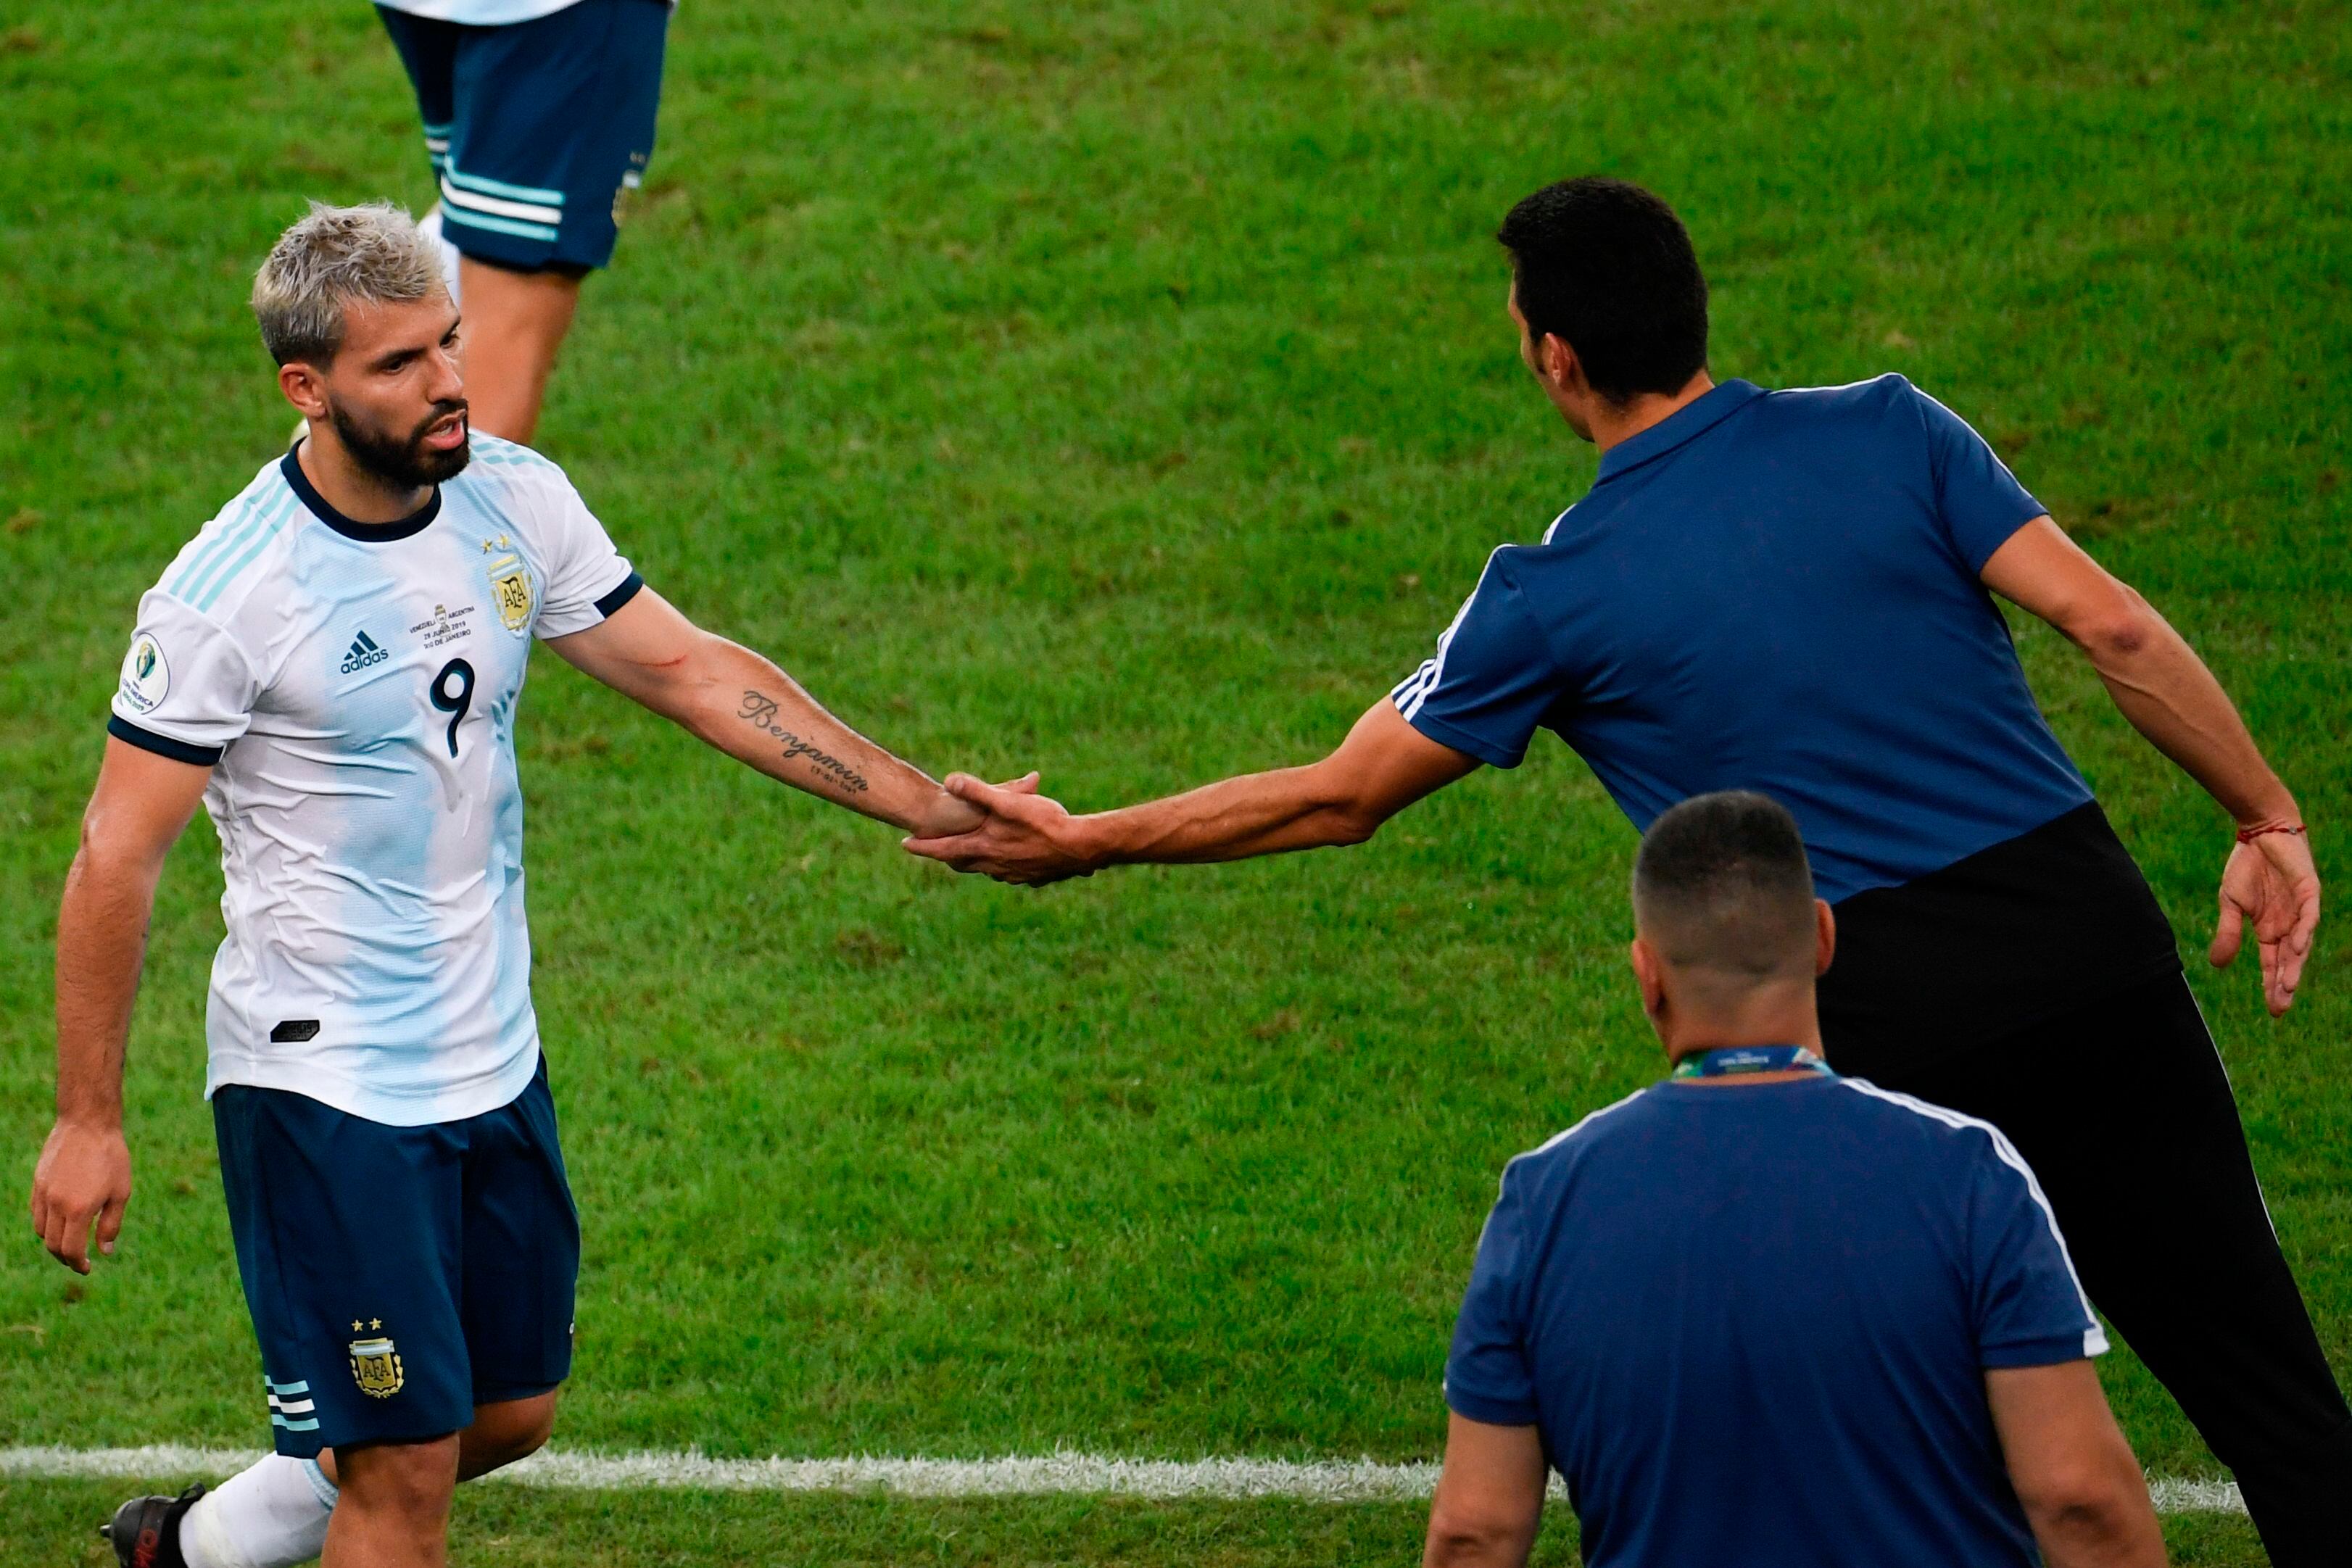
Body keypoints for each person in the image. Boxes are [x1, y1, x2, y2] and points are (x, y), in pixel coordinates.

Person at [906, 176, 2349, 1561]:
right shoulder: (1894, 431)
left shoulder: (1548, 593)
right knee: (2264, 1383)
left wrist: (1085, 838)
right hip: (2077, 931)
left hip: (1867, 995)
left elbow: (1339, 796)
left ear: (1555, 360)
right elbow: (2109, 628)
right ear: (1693, 310)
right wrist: (2261, 812)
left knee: (1904, 1438)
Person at [28, 202, 982, 1568]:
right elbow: (116, 853)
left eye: (451, 343)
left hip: (491, 1050)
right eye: (401, 365)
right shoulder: (228, 595)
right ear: (306, 388)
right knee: (403, 1475)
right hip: (328, 1084)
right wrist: (87, 1117)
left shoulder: (508, 498)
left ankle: (190, 1551)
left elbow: (690, 670)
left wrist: (935, 808)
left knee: (508, 1407)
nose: (450, 383)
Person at [1423, 790, 2167, 1568]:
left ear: (1646, 974)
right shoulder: (1970, 1175)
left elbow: (1476, 1532)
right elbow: (2079, 1502)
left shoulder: (1543, 1200)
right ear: (1822, 937)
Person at [375, 0, 673, 444]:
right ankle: (370, 490)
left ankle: (354, 445)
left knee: (484, 219)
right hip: (554, 15)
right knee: (515, 288)